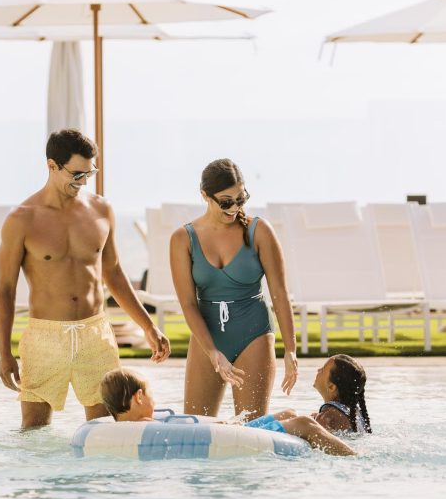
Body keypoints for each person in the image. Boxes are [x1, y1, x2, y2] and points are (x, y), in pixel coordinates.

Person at [0, 128, 170, 430]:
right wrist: (4, 354)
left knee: (105, 431)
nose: (84, 182)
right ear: (52, 166)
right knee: (34, 432)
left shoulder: (101, 210)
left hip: (95, 335)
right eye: (77, 174)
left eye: (89, 174)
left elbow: (114, 273)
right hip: (45, 337)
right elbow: (6, 289)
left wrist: (148, 326)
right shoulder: (22, 219)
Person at [169, 158, 298, 421]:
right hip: (208, 338)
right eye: (226, 201)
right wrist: (213, 352)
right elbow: (188, 304)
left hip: (253, 334)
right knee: (197, 427)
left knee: (252, 429)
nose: (235, 207)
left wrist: (291, 350)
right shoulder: (183, 239)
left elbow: (279, 294)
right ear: (205, 195)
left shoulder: (258, 231)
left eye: (241, 198)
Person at [99, 368, 355, 457]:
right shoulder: (147, 430)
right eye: (150, 392)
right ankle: (354, 455)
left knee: (286, 412)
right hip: (231, 437)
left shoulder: (138, 425)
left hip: (230, 431)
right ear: (139, 397)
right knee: (302, 423)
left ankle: (332, 434)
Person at [312, 354, 371, 434]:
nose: (318, 370)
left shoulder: (326, 417)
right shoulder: (356, 414)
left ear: (331, 387)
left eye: (322, 370)